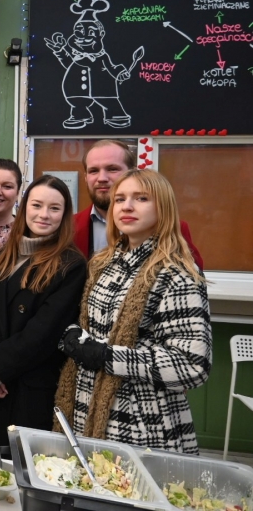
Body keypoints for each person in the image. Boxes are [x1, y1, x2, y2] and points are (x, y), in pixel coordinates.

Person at [55, 169, 211, 454]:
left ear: (163, 208)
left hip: (142, 421)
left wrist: (106, 356)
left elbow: (192, 366)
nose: (127, 206)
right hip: (86, 409)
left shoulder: (176, 273)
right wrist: (73, 334)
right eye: (120, 199)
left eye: (141, 198)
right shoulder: (103, 263)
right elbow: (89, 325)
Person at [0, 175, 86, 451]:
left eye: (54, 208)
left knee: (20, 466)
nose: (44, 214)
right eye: (36, 205)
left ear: (65, 214)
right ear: (24, 207)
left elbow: (42, 333)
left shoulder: (71, 265)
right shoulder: (4, 254)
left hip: (26, 391)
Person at [74, 139, 203, 268]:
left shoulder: (171, 228)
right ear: (85, 177)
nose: (102, 178)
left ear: (132, 173)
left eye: (112, 169)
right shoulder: (69, 227)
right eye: (93, 171)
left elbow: (192, 274)